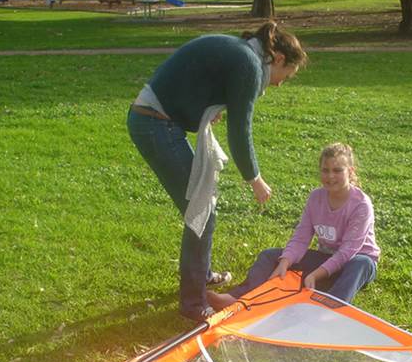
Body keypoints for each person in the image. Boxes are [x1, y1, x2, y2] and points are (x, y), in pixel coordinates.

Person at [127, 21, 307, 322]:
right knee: (201, 212)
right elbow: (240, 130)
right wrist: (255, 179)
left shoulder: (243, 54)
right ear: (277, 59)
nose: (278, 84)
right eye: (284, 77)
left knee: (201, 209)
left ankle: (202, 275)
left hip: (154, 119)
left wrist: (201, 109)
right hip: (153, 124)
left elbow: (196, 79)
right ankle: (193, 305)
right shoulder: (249, 64)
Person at [208, 143, 379, 307]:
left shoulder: (361, 204)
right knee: (269, 255)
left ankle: (331, 308)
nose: (330, 176)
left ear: (350, 171)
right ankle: (236, 298)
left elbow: (347, 252)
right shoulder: (315, 198)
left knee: (360, 263)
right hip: (326, 258)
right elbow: (301, 237)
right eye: (325, 170)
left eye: (337, 170)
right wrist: (285, 262)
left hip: (354, 263)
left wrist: (316, 274)